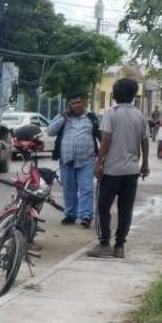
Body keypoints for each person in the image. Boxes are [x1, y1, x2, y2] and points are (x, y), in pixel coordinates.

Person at [88, 78, 150, 259]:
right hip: (131, 171)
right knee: (125, 208)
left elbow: (106, 138)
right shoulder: (139, 115)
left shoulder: (111, 113)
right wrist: (145, 163)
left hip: (111, 170)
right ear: (133, 95)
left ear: (115, 95)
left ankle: (104, 243)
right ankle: (120, 245)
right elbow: (145, 141)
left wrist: (98, 162)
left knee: (102, 206)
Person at [47, 94, 101, 228]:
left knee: (86, 189)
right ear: (69, 105)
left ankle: (86, 216)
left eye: (78, 102)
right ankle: (70, 214)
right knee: (69, 189)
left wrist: (102, 157)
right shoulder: (63, 117)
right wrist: (63, 117)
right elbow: (50, 131)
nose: (76, 105)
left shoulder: (91, 117)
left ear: (84, 103)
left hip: (87, 160)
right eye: (73, 103)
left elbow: (100, 135)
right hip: (66, 160)